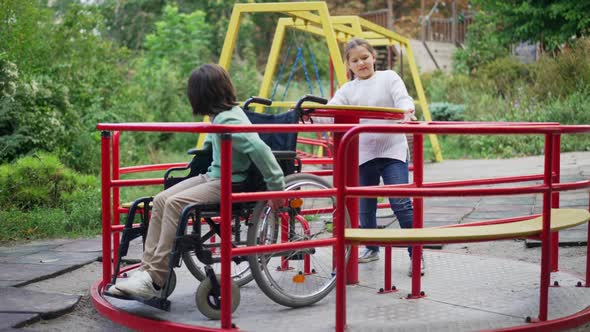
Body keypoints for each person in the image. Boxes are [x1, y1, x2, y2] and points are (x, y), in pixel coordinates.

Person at [110, 64, 285, 299]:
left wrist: (276, 188)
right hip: (215, 175)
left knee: (175, 203)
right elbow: (214, 149)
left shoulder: (229, 120)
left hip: (231, 181)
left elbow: (260, 149)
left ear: (202, 94)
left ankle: (156, 278)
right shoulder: (220, 115)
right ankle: (146, 270)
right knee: (161, 199)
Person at [328, 38, 423, 276]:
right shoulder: (348, 89)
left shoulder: (389, 77)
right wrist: (309, 114)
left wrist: (406, 111)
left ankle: (416, 254)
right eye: (355, 60)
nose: (361, 63)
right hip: (364, 153)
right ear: (348, 65)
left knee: (400, 202)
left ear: (373, 57)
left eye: (364, 57)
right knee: (364, 206)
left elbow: (402, 98)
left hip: (392, 149)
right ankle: (371, 248)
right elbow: (332, 110)